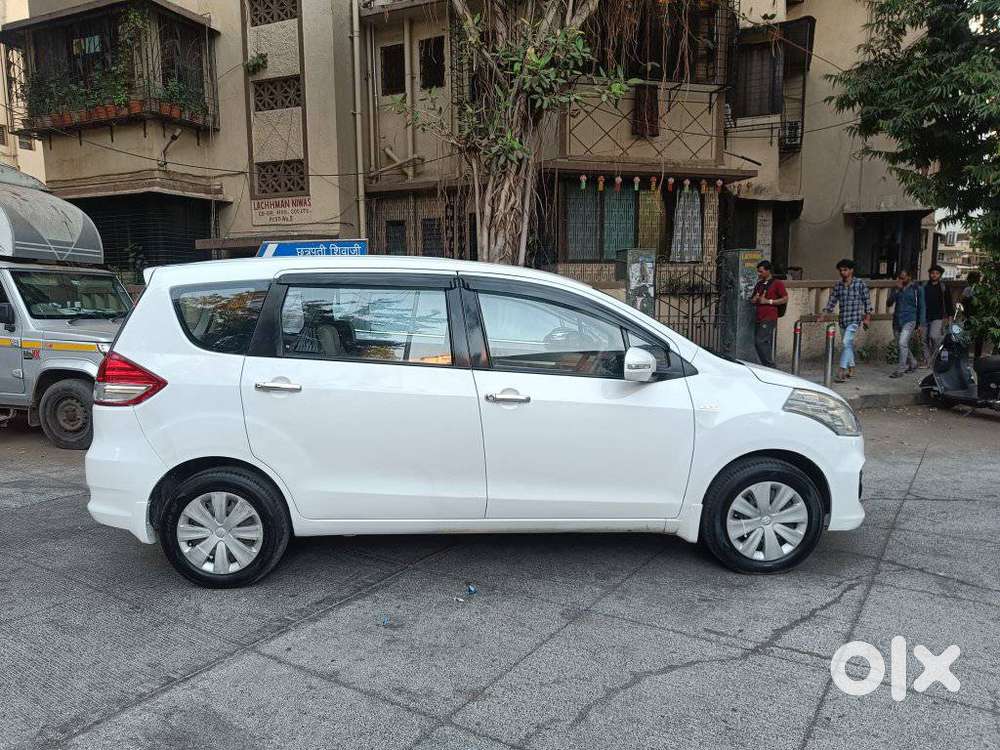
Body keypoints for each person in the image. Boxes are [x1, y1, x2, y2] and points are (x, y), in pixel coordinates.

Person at [823, 259, 873, 383]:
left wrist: (867, 318)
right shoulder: (838, 285)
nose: (842, 272)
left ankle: (841, 370)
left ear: (851, 270)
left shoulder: (860, 284)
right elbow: (832, 301)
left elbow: (867, 302)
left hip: (854, 320)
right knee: (848, 344)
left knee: (846, 342)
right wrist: (823, 314)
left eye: (845, 270)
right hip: (843, 319)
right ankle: (852, 367)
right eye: (840, 270)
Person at [749, 260, 788, 368]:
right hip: (759, 316)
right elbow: (752, 300)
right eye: (758, 272)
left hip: (769, 316)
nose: (759, 274)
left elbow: (785, 298)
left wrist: (769, 301)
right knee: (762, 342)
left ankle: (770, 366)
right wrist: (755, 299)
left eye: (761, 272)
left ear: (768, 271)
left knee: (760, 341)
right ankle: (766, 365)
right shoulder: (759, 284)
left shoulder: (777, 283)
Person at [886, 269, 925, 378]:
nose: (901, 280)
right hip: (897, 319)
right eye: (899, 278)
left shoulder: (917, 289)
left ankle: (900, 369)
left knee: (902, 343)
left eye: (903, 278)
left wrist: (921, 324)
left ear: (909, 277)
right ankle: (913, 362)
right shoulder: (896, 288)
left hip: (910, 319)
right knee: (901, 344)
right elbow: (889, 303)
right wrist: (896, 291)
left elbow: (922, 307)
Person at [923, 264, 954, 363]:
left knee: (934, 337)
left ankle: (942, 355)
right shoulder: (924, 286)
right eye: (932, 273)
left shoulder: (943, 287)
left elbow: (949, 303)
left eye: (937, 273)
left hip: (938, 316)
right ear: (929, 274)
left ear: (940, 275)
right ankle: (928, 360)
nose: (934, 275)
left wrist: (950, 318)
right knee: (923, 340)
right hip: (924, 316)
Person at [962, 271, 985, 360]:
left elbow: (961, 301)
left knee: (967, 337)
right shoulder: (982, 289)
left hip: (969, 315)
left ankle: (965, 355)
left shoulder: (967, 290)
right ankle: (977, 356)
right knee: (978, 338)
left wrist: (963, 314)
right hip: (979, 316)